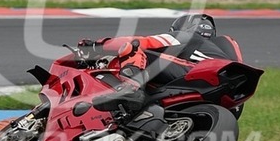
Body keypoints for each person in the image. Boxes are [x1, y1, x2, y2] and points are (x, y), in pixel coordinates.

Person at [77, 14, 242, 115]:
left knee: (133, 48)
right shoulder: (225, 46)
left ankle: (131, 88)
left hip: (199, 74)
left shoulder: (185, 36)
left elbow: (140, 42)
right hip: (231, 96)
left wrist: (97, 46)